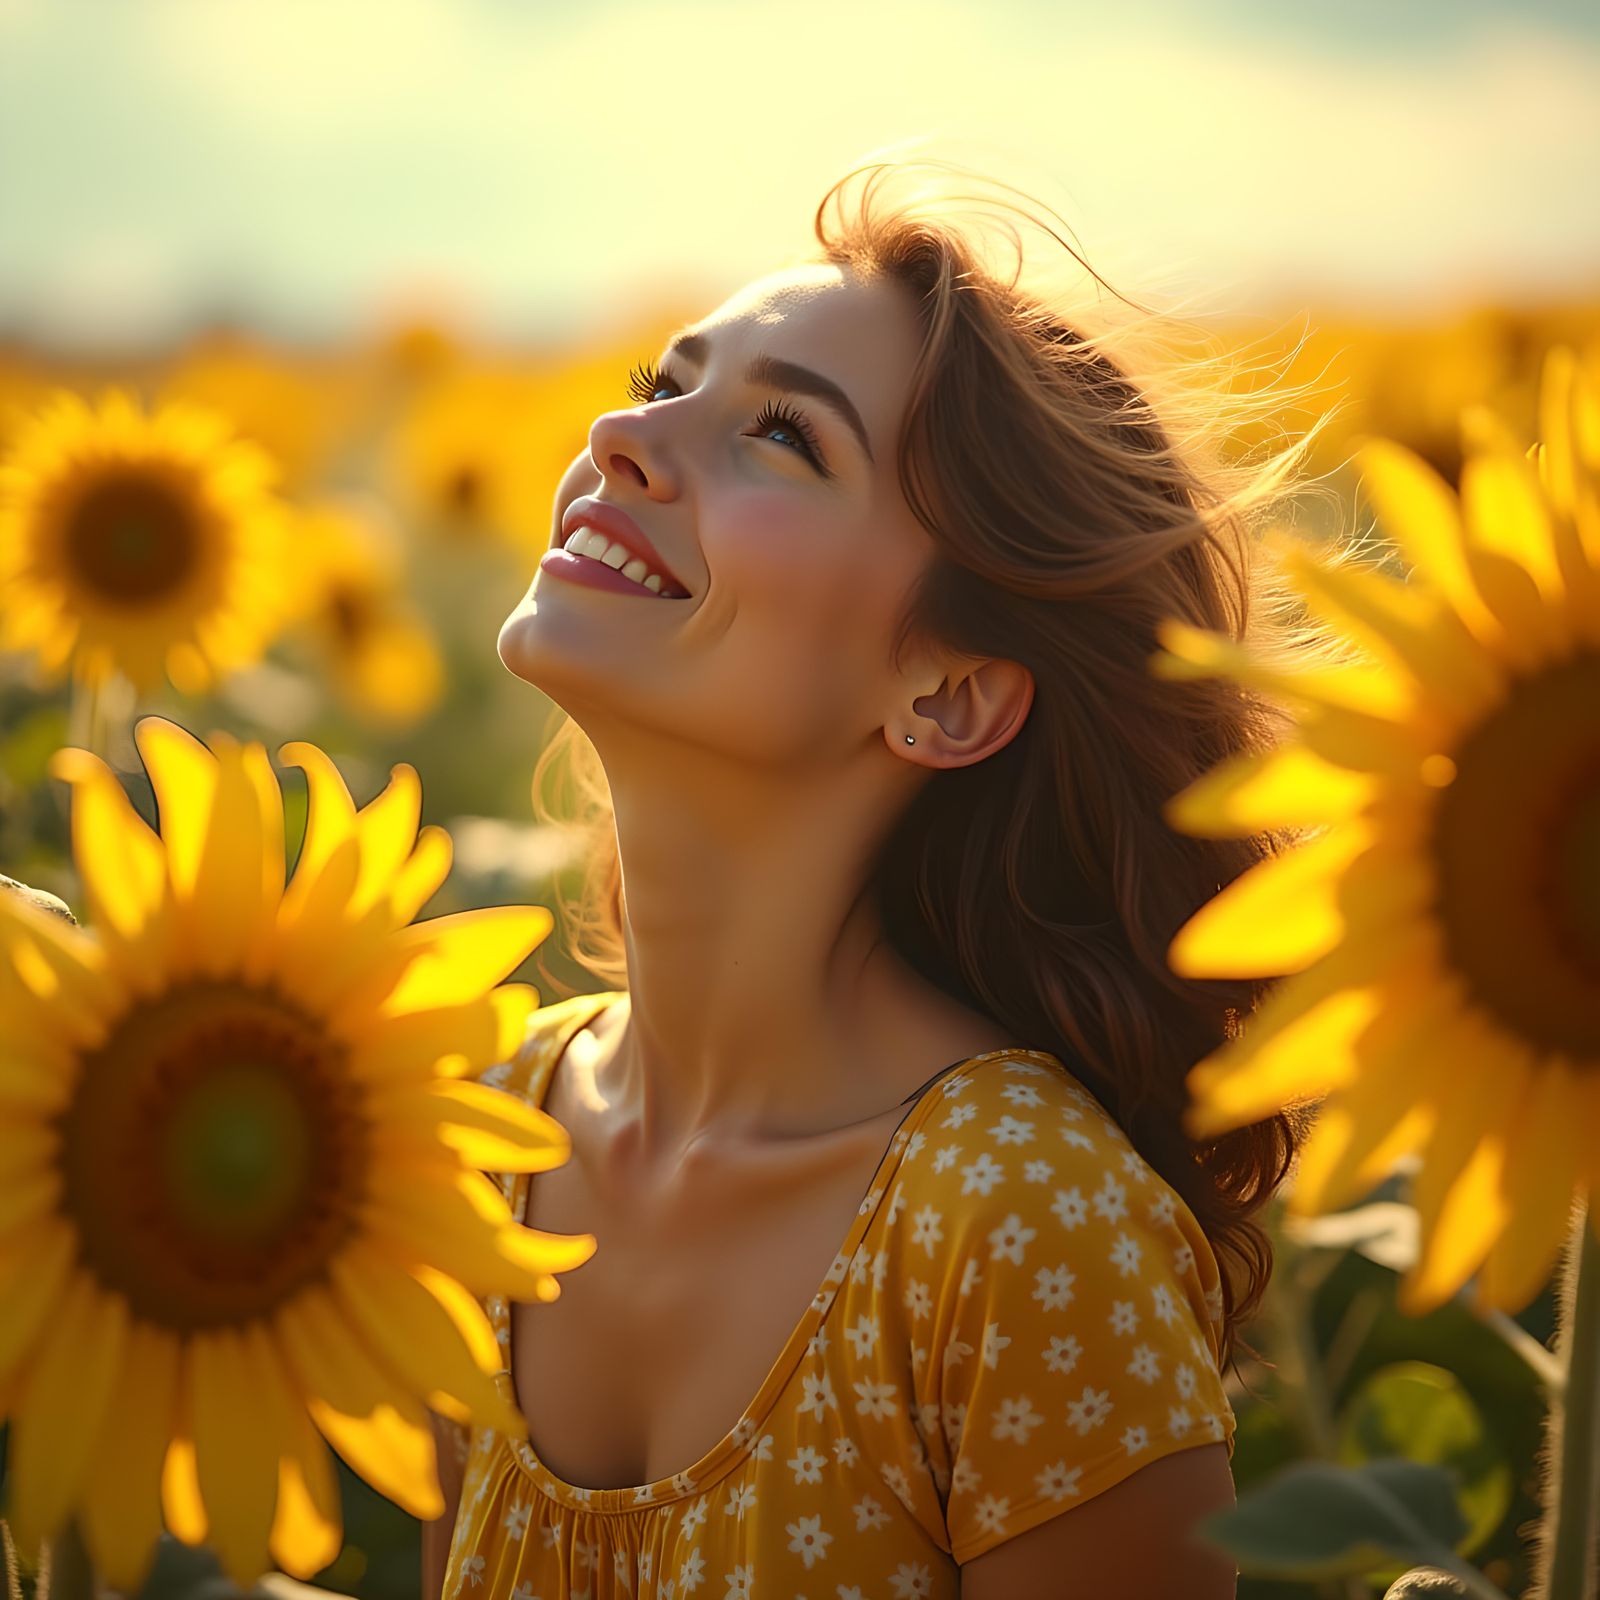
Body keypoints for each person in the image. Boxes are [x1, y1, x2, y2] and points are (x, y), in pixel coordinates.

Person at [423, 155, 1335, 1598]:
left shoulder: (1022, 1223)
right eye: (665, 382)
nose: (621, 434)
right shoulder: (484, 1145)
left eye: (782, 436)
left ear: (949, 693)